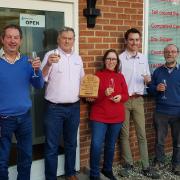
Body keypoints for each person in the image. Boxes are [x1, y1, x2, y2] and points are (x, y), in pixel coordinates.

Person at [0, 24, 44, 180]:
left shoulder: (27, 61)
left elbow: (38, 85)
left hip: (24, 118)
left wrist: (37, 71)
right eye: (9, 37)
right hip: (3, 120)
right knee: (1, 160)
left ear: (21, 41)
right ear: (2, 39)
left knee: (26, 158)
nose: (12, 40)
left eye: (16, 37)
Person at [41, 27, 84, 180]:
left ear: (74, 40)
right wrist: (47, 65)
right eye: (64, 37)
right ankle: (50, 177)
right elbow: (41, 80)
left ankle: (70, 173)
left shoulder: (77, 58)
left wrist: (89, 93)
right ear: (58, 39)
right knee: (52, 145)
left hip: (74, 107)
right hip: (54, 108)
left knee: (71, 143)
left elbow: (82, 82)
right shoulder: (50, 55)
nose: (67, 41)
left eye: (70, 38)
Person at [119, 28, 159, 179]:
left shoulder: (143, 58)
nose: (134, 42)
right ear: (126, 41)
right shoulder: (120, 59)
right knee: (124, 134)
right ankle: (128, 164)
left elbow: (148, 78)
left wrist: (148, 81)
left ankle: (146, 166)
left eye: (137, 40)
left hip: (138, 100)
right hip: (123, 101)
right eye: (131, 39)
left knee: (141, 134)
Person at [87, 49, 129, 180]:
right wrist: (103, 94)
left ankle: (107, 170)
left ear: (117, 62)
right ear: (104, 61)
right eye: (109, 59)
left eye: (114, 59)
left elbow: (126, 95)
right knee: (96, 144)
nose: (111, 61)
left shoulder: (120, 76)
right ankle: (94, 174)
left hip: (117, 117)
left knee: (110, 145)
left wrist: (120, 97)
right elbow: (91, 98)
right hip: (99, 116)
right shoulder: (97, 76)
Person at [148, 44, 180, 176]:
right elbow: (150, 89)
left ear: (177, 54)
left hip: (178, 112)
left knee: (178, 141)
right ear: (163, 54)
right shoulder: (158, 71)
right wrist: (156, 89)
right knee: (160, 140)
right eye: (167, 52)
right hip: (161, 111)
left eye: (173, 52)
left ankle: (176, 164)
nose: (170, 54)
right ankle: (159, 161)